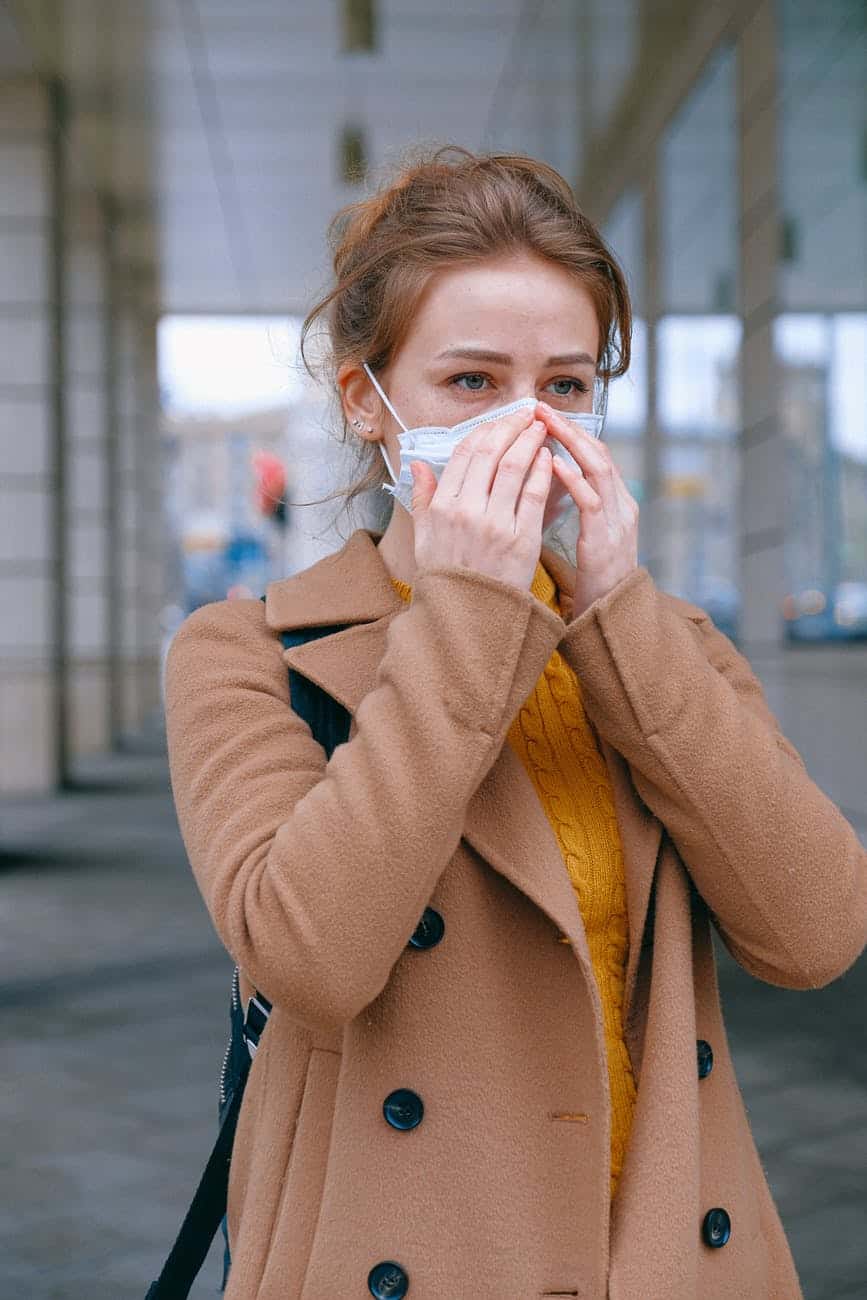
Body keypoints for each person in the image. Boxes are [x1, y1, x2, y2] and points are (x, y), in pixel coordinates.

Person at [162, 147, 867, 1300]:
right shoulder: (248, 651)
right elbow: (310, 958)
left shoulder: (662, 643)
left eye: (568, 385)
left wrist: (618, 617)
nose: (527, 427)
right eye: (473, 383)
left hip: (664, 1252)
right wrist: (474, 615)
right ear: (367, 402)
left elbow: (817, 931)